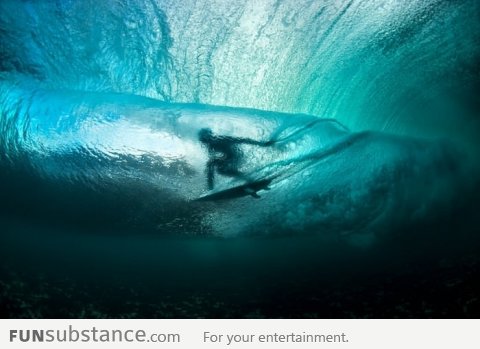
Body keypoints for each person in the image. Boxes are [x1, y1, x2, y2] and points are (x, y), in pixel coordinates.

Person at [198, 128, 273, 190]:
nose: (206, 140)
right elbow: (213, 159)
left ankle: (249, 179)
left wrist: (262, 144)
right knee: (212, 164)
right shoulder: (209, 146)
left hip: (237, 156)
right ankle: (211, 188)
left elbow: (243, 140)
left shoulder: (221, 139)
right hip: (228, 158)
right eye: (203, 138)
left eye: (206, 136)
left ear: (210, 134)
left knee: (218, 167)